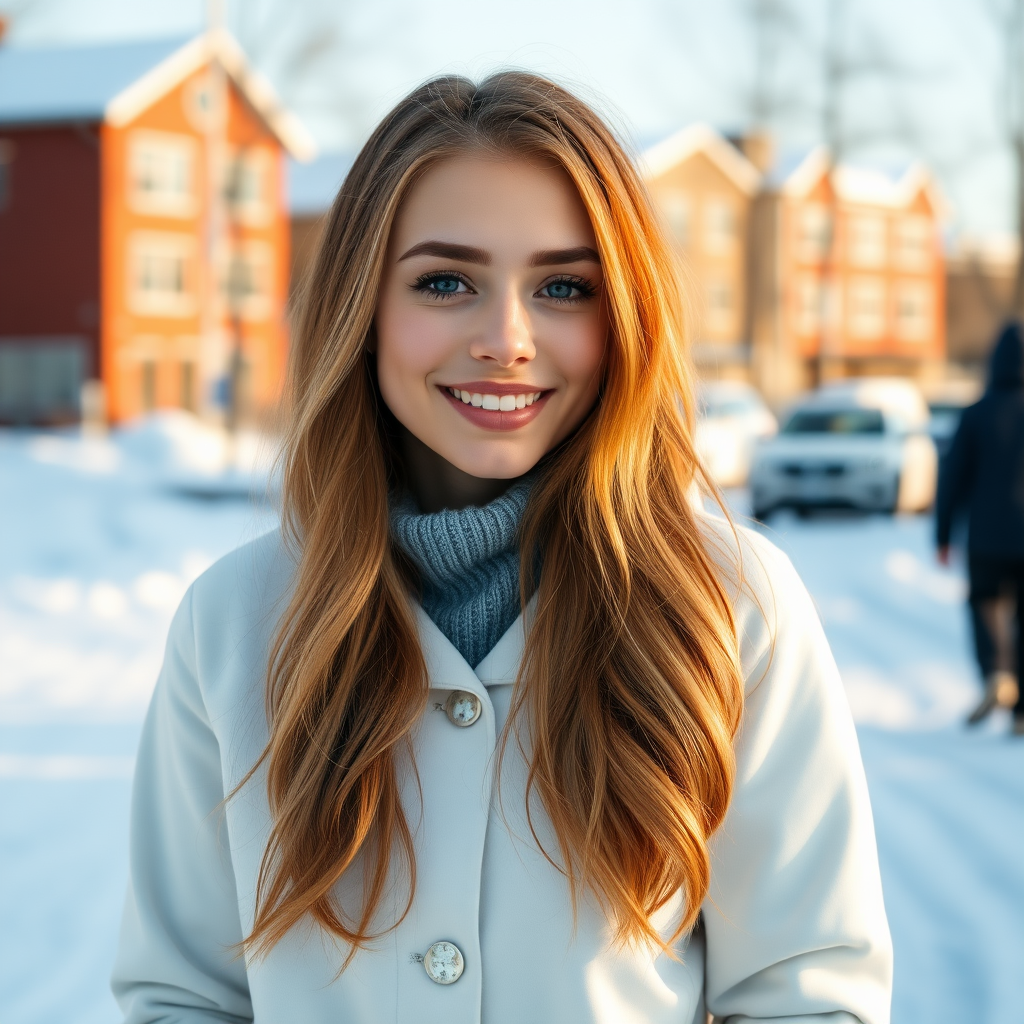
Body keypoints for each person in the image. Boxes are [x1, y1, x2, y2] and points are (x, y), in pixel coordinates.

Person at [111, 74, 892, 1023]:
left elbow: (807, 994)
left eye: (564, 287)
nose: (507, 340)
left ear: (625, 317)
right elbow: (184, 994)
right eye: (446, 282)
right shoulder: (234, 622)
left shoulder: (732, 607)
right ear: (362, 305)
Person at [937, 320, 1024, 735]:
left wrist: (941, 534)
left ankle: (997, 673)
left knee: (985, 604)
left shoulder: (975, 414)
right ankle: (1021, 711)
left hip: (985, 538)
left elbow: (952, 477)